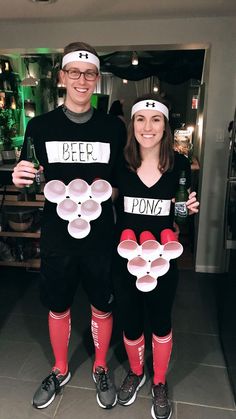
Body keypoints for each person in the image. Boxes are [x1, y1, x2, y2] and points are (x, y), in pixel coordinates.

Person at [12, 41, 126, 410]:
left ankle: (99, 366)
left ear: (97, 79)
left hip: (99, 237)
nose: (82, 79)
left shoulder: (113, 128)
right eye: (74, 72)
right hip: (58, 235)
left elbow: (125, 182)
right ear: (62, 77)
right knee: (58, 305)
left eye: (89, 73)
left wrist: (108, 194)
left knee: (101, 305)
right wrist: (20, 176)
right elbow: (30, 176)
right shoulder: (39, 126)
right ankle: (60, 369)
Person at [112, 94, 199, 419]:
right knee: (131, 321)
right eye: (140, 119)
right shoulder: (120, 163)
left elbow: (179, 218)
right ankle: (137, 372)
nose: (147, 127)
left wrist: (187, 212)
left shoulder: (178, 165)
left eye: (156, 119)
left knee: (161, 321)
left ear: (166, 125)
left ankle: (159, 381)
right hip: (124, 258)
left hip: (163, 260)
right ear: (132, 124)